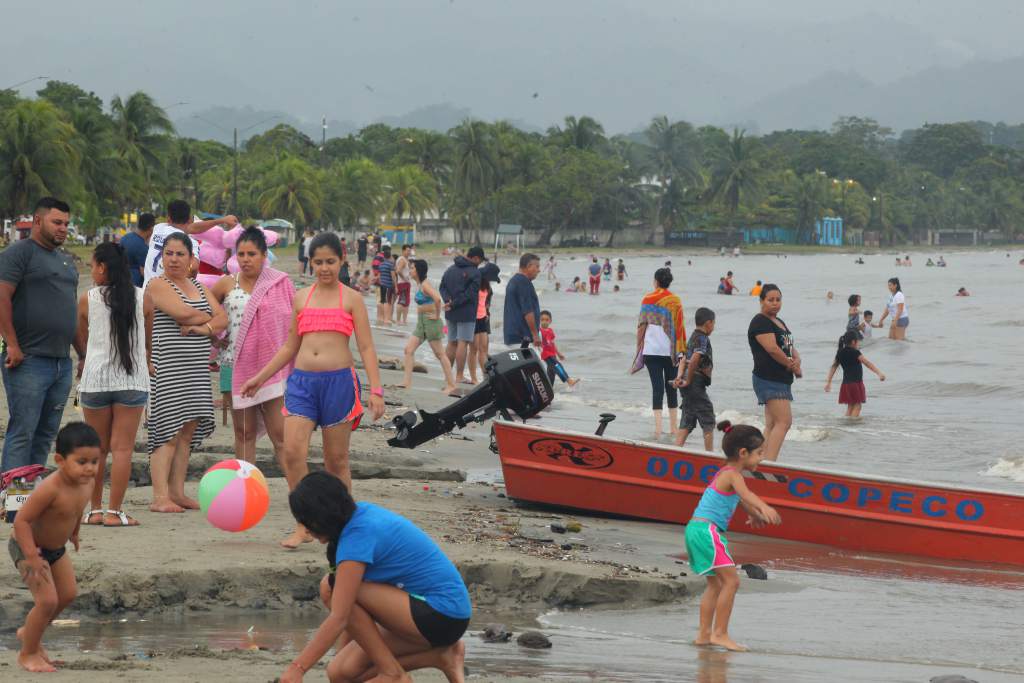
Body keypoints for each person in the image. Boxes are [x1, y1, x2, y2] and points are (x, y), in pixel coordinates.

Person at [241, 232, 385, 549]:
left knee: (337, 461)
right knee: (292, 452)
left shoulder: (352, 299)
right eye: (318, 262)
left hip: (339, 384)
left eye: (330, 262)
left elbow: (366, 347)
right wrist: (260, 377)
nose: (324, 268)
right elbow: (290, 346)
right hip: (302, 384)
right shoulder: (301, 297)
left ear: (341, 260)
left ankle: (344, 527)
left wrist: (376, 390)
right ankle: (304, 524)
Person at [281, 472, 470, 683]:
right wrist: (342, 657)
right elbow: (352, 616)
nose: (307, 529)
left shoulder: (358, 536)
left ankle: (392, 674)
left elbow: (340, 616)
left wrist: (297, 668)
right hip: (421, 613)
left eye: (307, 522)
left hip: (442, 614)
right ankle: (442, 656)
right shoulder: (355, 516)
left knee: (333, 586)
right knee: (340, 672)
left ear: (323, 516)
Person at [0, 197, 85, 472]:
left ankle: (30, 499)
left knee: (46, 434)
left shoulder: (66, 262)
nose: (63, 229)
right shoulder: (19, 253)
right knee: (23, 430)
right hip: (28, 359)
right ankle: (10, 502)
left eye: (66, 224)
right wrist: (12, 344)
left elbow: (69, 312)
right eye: (57, 222)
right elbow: (2, 297)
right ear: (38, 221)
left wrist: (83, 355)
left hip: (61, 363)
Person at [9, 422, 102, 672]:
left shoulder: (87, 484)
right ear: (60, 460)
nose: (89, 469)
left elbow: (75, 510)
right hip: (28, 548)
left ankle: (29, 633)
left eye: (95, 461)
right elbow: (22, 521)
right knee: (47, 601)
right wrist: (31, 556)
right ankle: (28, 653)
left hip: (56, 549)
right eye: (82, 462)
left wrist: (75, 532)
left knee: (68, 594)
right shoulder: (50, 488)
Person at [146, 233, 227, 513]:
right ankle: (159, 497)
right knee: (166, 429)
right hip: (168, 366)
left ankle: (177, 492)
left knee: (187, 431)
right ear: (162, 256)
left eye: (180, 254)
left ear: (192, 259)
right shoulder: (157, 284)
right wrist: (207, 320)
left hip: (195, 368)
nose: (174, 259)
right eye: (169, 253)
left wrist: (201, 329)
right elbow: (183, 313)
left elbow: (223, 319)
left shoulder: (198, 286)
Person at [685, 421, 781, 652]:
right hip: (708, 532)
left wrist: (753, 514)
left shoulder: (725, 473)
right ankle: (720, 634)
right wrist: (764, 508)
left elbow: (736, 498)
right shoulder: (733, 474)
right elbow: (746, 493)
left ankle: (704, 635)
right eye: (759, 453)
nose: (761, 459)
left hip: (696, 530)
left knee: (716, 584)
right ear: (743, 453)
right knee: (732, 581)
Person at [76, 243, 152, 528]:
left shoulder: (88, 299)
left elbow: (83, 337)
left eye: (93, 265)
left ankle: (94, 510)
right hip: (131, 379)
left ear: (102, 267)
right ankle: (115, 513)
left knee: (97, 450)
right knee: (122, 450)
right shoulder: (144, 298)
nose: (91, 270)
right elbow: (146, 342)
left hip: (95, 380)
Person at [211, 227, 295, 464]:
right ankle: (247, 490)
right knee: (244, 433)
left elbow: (291, 325)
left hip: (271, 369)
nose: (246, 260)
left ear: (264, 255)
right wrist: (213, 338)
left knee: (280, 435)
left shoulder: (279, 283)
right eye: (241, 254)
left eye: (252, 254)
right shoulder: (226, 284)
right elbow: (204, 311)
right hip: (235, 365)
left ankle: (297, 491)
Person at [748, 284, 800, 461]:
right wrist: (790, 364)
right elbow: (772, 348)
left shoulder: (780, 322)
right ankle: (769, 464)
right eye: (771, 300)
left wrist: (797, 361)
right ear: (761, 301)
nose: (775, 303)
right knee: (784, 422)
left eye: (778, 300)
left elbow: (789, 346)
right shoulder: (760, 321)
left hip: (782, 379)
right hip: (768, 378)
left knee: (771, 424)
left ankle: (758, 461)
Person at [636, 268, 685, 439]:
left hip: (651, 351)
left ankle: (657, 429)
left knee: (657, 389)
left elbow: (642, 325)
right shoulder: (676, 300)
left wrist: (638, 347)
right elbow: (680, 327)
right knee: (672, 388)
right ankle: (673, 428)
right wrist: (682, 350)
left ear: (656, 281)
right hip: (670, 351)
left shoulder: (647, 299)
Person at [141, 200, 237, 285]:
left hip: (147, 291)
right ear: (190, 219)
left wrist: (222, 220)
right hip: (168, 296)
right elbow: (194, 268)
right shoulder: (189, 242)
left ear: (168, 218)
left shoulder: (159, 228)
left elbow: (193, 228)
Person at [398, 259, 457, 395]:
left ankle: (451, 385)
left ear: (418, 271)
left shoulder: (425, 285)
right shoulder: (420, 285)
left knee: (440, 354)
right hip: (421, 323)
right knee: (408, 350)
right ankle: (406, 382)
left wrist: (437, 315)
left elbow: (437, 298)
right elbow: (432, 302)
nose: (410, 271)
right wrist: (439, 309)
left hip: (431, 322)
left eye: (412, 268)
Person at [672, 307, 715, 451]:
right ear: (708, 323)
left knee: (688, 418)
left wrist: (679, 377)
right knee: (707, 417)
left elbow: (683, 359)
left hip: (687, 385)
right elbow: (696, 357)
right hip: (695, 383)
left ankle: (676, 450)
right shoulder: (702, 338)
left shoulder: (692, 337)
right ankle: (710, 455)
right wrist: (689, 379)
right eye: (713, 324)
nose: (713, 328)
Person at [440, 246, 483, 382]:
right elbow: (470, 294)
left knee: (452, 342)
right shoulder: (475, 272)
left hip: (450, 311)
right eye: (480, 261)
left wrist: (448, 301)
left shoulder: (450, 269)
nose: (480, 263)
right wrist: (453, 303)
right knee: (462, 342)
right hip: (466, 312)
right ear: (475, 258)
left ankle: (447, 375)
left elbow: (442, 287)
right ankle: (459, 376)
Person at [825, 331, 886, 417]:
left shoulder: (840, 353)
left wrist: (828, 382)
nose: (858, 343)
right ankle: (852, 427)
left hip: (846, 384)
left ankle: (846, 427)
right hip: (855, 384)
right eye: (858, 341)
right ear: (853, 342)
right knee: (858, 406)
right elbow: (867, 363)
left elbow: (833, 367)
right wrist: (879, 373)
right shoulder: (855, 352)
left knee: (850, 406)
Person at [468, 261, 500, 385]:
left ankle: (485, 376)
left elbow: (487, 301)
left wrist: (487, 311)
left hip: (483, 318)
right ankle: (473, 377)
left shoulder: (487, 285)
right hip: (472, 318)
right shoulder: (474, 280)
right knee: (474, 348)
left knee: (484, 348)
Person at [502, 253, 542, 350]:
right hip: (523, 338)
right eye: (537, 267)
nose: (539, 270)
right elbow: (528, 311)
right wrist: (535, 335)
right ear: (528, 266)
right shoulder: (523, 282)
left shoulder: (514, 280)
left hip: (513, 336)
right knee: (534, 365)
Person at [539, 310, 580, 387]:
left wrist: (558, 353)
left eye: (547, 320)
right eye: (542, 320)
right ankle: (569, 380)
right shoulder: (539, 331)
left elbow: (552, 343)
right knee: (557, 365)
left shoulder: (550, 331)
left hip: (552, 354)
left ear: (550, 321)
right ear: (539, 320)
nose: (544, 322)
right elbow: (536, 341)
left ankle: (549, 388)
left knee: (552, 372)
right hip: (546, 354)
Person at [119, 212, 154, 287]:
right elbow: (144, 272)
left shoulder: (125, 238)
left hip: (120, 281)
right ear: (151, 229)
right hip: (134, 287)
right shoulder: (142, 247)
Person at [394, 244, 412, 326]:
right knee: (401, 301)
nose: (409, 252)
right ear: (403, 250)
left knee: (406, 302)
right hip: (402, 283)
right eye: (407, 250)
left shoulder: (406, 259)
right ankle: (398, 320)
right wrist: (404, 278)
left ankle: (404, 320)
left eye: (410, 250)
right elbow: (398, 270)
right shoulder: (402, 260)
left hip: (406, 283)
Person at [376, 246, 395, 325]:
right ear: (390, 256)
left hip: (382, 285)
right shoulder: (390, 265)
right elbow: (393, 276)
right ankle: (386, 319)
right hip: (388, 285)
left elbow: (379, 276)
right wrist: (395, 286)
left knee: (382, 301)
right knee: (387, 302)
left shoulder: (381, 265)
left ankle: (381, 318)